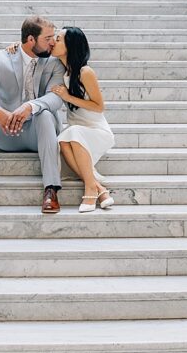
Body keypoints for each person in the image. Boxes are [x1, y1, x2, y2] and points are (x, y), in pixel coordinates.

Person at [7, 26, 115, 213]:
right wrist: (19, 45)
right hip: (77, 130)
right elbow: (34, 51)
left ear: (70, 45)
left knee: (70, 134)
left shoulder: (85, 71)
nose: (53, 42)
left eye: (58, 39)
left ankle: (90, 190)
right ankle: (99, 188)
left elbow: (99, 106)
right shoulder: (61, 68)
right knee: (62, 140)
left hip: (95, 129)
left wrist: (68, 97)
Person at [0, 15, 67, 214]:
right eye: (47, 38)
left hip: (38, 132)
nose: (52, 42)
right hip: (6, 133)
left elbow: (56, 99)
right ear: (31, 40)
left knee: (45, 113)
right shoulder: (1, 59)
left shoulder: (54, 63)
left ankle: (51, 189)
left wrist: (30, 107)